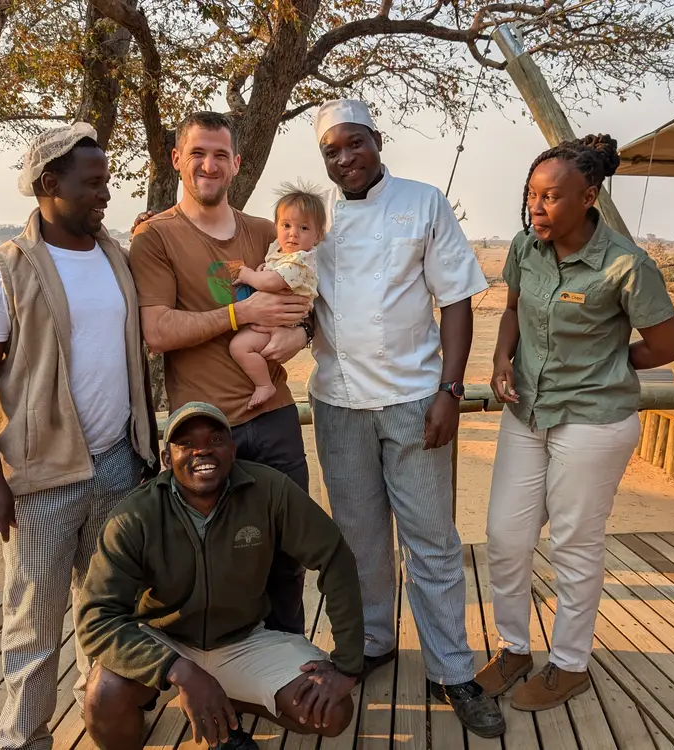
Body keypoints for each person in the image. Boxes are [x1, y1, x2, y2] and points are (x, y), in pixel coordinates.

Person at [302, 99, 504, 736]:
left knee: (433, 541)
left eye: (354, 144)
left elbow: (457, 299)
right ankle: (374, 643)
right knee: (359, 541)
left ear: (376, 140)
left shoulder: (423, 203)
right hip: (336, 403)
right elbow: (263, 283)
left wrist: (451, 388)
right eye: (332, 151)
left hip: (416, 401)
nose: (344, 159)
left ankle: (451, 670)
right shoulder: (314, 217)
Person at [0, 121, 159, 750]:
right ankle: (23, 740)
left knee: (106, 615)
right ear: (49, 184)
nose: (106, 193)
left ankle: (100, 721)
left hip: (119, 465)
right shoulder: (2, 273)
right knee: (33, 629)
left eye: (108, 181)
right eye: (93, 183)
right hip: (42, 477)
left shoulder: (115, 257)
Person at [477, 134, 674, 711]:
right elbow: (514, 311)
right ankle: (514, 648)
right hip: (527, 411)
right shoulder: (525, 246)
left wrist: (611, 364)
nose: (536, 207)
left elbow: (668, 344)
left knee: (574, 542)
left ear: (589, 196)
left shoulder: (625, 265)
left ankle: (569, 664)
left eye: (551, 197)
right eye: (531, 195)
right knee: (506, 536)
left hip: (592, 420)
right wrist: (500, 362)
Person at [77, 402, 365, 749]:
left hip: (242, 639)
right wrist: (179, 670)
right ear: (167, 458)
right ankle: (190, 695)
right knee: (103, 698)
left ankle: (223, 700)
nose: (202, 450)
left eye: (215, 439)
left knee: (332, 711)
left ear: (232, 449)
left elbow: (334, 556)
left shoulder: (269, 490)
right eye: (186, 443)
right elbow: (97, 619)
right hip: (165, 639)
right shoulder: (136, 515)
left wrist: (347, 666)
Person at [128, 111, 314, 638]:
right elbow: (158, 331)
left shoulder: (267, 232)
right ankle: (219, 680)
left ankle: (288, 662)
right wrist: (240, 314)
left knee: (285, 553)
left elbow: (312, 302)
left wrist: (301, 336)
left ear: (236, 164)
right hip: (204, 427)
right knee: (211, 558)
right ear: (177, 161)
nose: (208, 165)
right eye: (197, 153)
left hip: (275, 418)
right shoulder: (156, 238)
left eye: (219, 155)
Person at [226, 184, 325, 408]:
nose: (293, 233)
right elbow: (272, 273)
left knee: (239, 347)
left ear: (318, 235)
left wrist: (248, 274)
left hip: (285, 325)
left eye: (304, 228)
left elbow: (270, 282)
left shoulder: (300, 261)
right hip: (277, 319)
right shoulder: (281, 251)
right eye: (286, 225)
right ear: (276, 226)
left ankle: (263, 385)